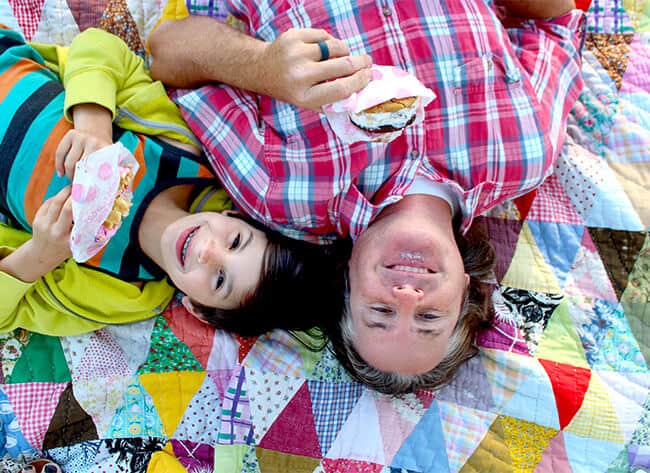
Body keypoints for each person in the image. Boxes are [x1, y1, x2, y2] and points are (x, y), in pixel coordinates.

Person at [148, 0, 585, 393]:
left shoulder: (280, 190)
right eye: (429, 319)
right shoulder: (526, 152)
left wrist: (261, 66)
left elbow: (165, 50)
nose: (407, 296)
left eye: (380, 312)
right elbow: (559, 23)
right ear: (464, 290)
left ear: (348, 281)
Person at [0, 26, 343, 337]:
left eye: (220, 280)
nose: (208, 252)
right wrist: (94, 125)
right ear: (234, 217)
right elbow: (99, 45)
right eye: (236, 241)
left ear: (199, 309)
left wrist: (41, 254)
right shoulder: (180, 152)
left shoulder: (123, 292)